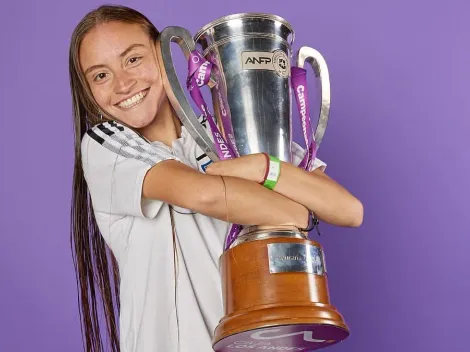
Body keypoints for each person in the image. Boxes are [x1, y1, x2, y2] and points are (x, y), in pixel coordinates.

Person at [69, 4, 363, 352]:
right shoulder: (107, 145)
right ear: (88, 90)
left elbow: (348, 210)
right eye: (100, 75)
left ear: (164, 54)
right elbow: (203, 194)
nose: (122, 83)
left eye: (133, 59)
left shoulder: (228, 129)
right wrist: (296, 210)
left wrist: (262, 167)